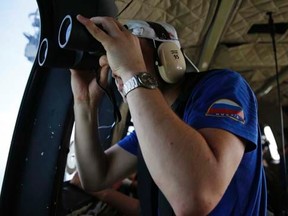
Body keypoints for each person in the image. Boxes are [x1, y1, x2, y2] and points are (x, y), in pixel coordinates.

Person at [70, 14, 267, 215]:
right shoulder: (152, 125)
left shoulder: (222, 85)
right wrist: (84, 103)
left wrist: (132, 72)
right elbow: (95, 177)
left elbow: (197, 196)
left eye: (129, 50)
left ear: (168, 56)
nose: (117, 67)